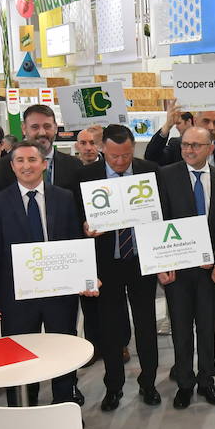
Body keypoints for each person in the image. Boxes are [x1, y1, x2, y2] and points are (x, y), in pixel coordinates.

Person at [0, 140, 90, 406]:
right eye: (20, 161)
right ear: (12, 165)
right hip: (16, 295)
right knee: (19, 354)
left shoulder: (63, 197)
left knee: (63, 351)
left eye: (32, 160)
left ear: (44, 164)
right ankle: (22, 408)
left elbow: (75, 243)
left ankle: (64, 405)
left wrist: (85, 276)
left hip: (59, 293)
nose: (26, 166)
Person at [78, 124, 161, 411]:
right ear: (103, 148)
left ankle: (148, 384)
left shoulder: (150, 171)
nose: (121, 162)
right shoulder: (85, 176)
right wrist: (86, 228)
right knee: (110, 329)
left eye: (126, 155)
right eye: (114, 156)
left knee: (146, 325)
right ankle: (113, 387)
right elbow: (76, 221)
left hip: (142, 261)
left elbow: (162, 217)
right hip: (106, 264)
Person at [156, 126, 215, 409]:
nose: (189, 150)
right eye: (185, 144)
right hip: (177, 270)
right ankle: (185, 382)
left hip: (210, 269)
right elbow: (158, 221)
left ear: (211, 148)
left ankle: (207, 380)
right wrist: (161, 263)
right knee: (181, 327)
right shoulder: (166, 176)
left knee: (207, 326)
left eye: (196, 145)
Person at [0, 105, 80, 192]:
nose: (42, 132)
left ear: (56, 128)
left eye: (47, 126)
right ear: (24, 128)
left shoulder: (74, 165)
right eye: (35, 127)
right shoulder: (4, 166)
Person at [145, 105, 215, 168]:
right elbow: (151, 157)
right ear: (195, 121)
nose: (211, 127)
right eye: (206, 121)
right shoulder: (177, 146)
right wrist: (167, 126)